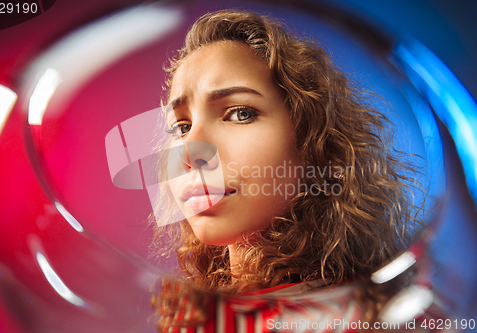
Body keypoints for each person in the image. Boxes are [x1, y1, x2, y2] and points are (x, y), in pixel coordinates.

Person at [151, 9, 422, 332]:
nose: (190, 154)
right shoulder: (201, 315)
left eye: (239, 113)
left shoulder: (364, 319)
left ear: (313, 140)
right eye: (181, 127)